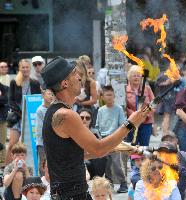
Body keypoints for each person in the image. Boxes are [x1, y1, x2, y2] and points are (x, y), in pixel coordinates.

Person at [40, 56, 146, 199]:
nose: (79, 77)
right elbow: (98, 148)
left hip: (71, 194)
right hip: (71, 196)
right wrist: (130, 124)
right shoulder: (66, 115)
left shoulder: (57, 111)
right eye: (74, 74)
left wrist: (116, 147)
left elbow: (79, 154)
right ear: (65, 83)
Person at [6, 59, 41, 165]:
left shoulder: (35, 83)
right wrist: (21, 114)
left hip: (30, 118)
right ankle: (6, 169)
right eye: (23, 67)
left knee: (30, 145)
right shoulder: (14, 82)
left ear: (30, 69)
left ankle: (27, 167)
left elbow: (38, 99)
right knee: (12, 144)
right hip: (17, 117)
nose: (25, 69)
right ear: (19, 69)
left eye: (27, 67)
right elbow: (10, 100)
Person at [95, 85, 128, 193]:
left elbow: (122, 125)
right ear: (102, 97)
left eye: (111, 95)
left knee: (116, 162)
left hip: (115, 138)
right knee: (107, 162)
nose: (109, 97)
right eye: (107, 95)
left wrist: (118, 138)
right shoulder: (100, 110)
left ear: (114, 96)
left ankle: (123, 183)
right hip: (103, 138)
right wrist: (100, 138)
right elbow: (97, 126)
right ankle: (109, 183)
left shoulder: (118, 109)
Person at [126, 65, 155, 146]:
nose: (136, 77)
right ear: (129, 77)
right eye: (134, 75)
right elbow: (123, 106)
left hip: (146, 121)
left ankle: (143, 159)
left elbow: (154, 103)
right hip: (130, 122)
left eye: (138, 75)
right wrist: (133, 115)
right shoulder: (125, 89)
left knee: (144, 146)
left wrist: (145, 115)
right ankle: (132, 159)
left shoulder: (147, 88)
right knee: (131, 146)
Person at [35, 89, 55, 177]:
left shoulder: (54, 108)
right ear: (43, 96)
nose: (51, 96)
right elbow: (40, 129)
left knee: (52, 163)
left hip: (53, 142)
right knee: (43, 163)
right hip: (42, 143)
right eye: (49, 94)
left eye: (52, 94)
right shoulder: (40, 110)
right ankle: (42, 181)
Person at [0, 80, 8, 169]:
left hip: (1, 120)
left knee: (1, 143)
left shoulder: (5, 88)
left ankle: (1, 165)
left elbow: (5, 100)